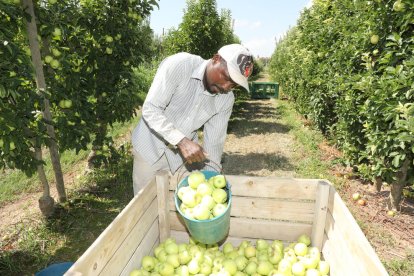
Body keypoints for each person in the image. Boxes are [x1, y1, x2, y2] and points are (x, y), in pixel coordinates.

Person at [131, 44, 254, 195]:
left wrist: (213, 178)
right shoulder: (179, 65)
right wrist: (181, 141)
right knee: (144, 205)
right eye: (227, 77)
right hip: (149, 146)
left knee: (184, 202)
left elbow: (214, 142)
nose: (227, 86)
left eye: (234, 84)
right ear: (216, 59)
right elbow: (151, 109)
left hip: (180, 157)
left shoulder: (225, 99)